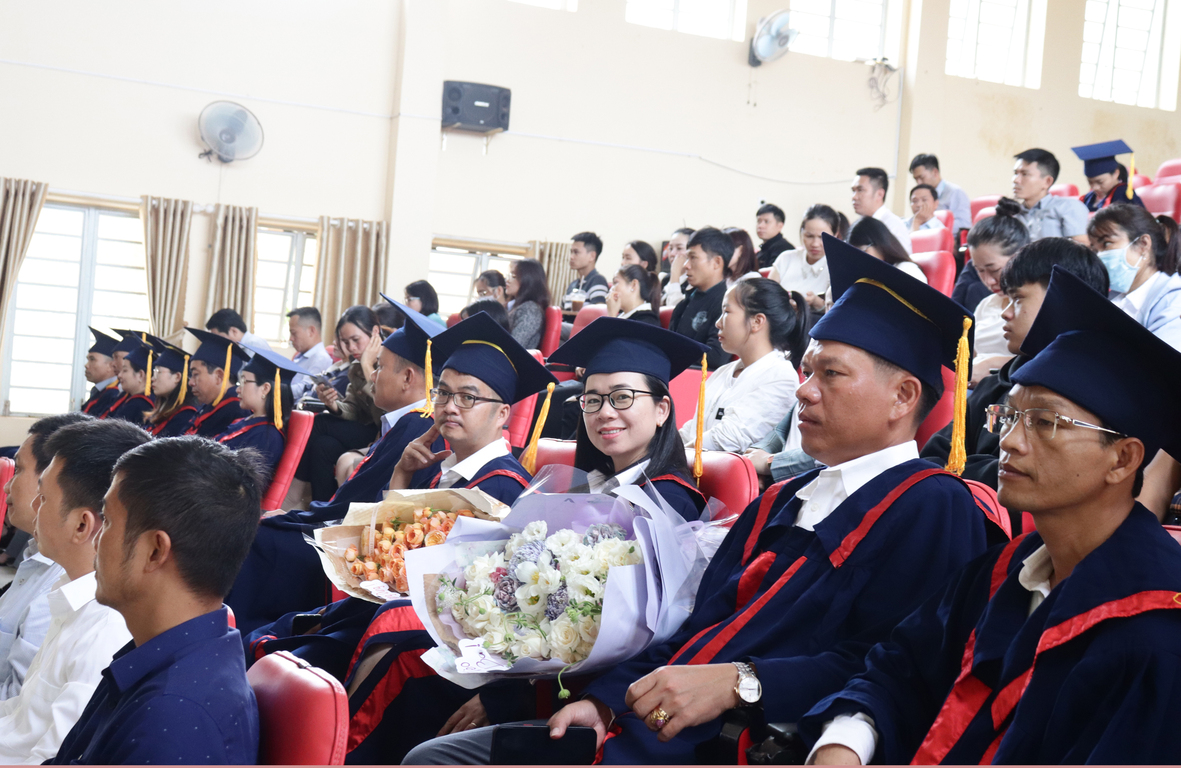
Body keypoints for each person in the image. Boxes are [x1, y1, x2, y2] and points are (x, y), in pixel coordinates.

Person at [404, 235, 1001, 765]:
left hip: (733, 741)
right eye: (807, 371)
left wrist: (742, 682)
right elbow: (697, 624)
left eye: (831, 375)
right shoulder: (784, 498)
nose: (803, 391)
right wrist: (605, 702)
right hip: (645, 722)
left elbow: (891, 666)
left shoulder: (933, 506)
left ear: (903, 397)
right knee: (432, 757)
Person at [285, 318, 707, 765]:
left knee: (405, 651)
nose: (604, 412)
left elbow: (634, 634)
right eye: (593, 399)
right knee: (393, 626)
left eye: (622, 397)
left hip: (570, 688)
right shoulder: (590, 485)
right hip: (522, 659)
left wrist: (504, 696)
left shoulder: (668, 502)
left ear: (662, 409)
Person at [804, 266, 1181, 764]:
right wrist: (846, 742)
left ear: (1123, 459)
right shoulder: (1000, 570)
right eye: (1009, 415)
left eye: (1045, 422)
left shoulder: (1157, 629)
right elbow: (900, 669)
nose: (1010, 441)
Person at [227, 300, 446, 634]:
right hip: (347, 531)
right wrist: (298, 517)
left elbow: (357, 509)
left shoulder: (415, 427)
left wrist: (296, 518)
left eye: (379, 367)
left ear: (407, 377)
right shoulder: (408, 423)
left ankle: (243, 636)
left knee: (262, 538)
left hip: (355, 550)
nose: (373, 375)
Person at [51, 437, 263, 764]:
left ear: (154, 551)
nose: (95, 542)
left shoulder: (173, 720)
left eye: (107, 520)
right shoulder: (165, 652)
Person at [0, 419, 149, 763]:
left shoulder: (106, 629)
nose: (35, 508)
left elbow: (52, 756)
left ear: (82, 525)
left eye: (44, 498)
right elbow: (20, 716)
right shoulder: (69, 595)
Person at [921, 238, 1109, 506]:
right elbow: (935, 456)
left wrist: (965, 470)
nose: (1005, 314)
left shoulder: (1088, 396)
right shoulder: (999, 382)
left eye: (1018, 299)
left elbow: (1028, 480)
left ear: (1064, 301)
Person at [388, 312, 555, 504]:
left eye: (468, 397)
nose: (449, 407)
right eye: (443, 393)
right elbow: (393, 521)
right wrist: (402, 472)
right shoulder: (442, 474)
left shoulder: (504, 490)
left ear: (502, 414)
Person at [0, 414, 88, 698]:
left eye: (18, 471)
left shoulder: (56, 591)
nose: (7, 486)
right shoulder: (37, 557)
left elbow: (17, 702)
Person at [678, 278, 805, 454]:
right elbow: (693, 430)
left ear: (757, 321)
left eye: (726, 312)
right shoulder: (722, 372)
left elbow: (728, 438)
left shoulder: (781, 376)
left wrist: (674, 456)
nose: (718, 323)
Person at [297, 306, 385, 501]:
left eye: (356, 340)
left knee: (319, 424)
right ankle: (322, 507)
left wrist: (367, 366)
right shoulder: (356, 367)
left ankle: (294, 490)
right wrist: (333, 404)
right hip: (368, 428)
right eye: (345, 342)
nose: (351, 348)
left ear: (375, 332)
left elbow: (387, 406)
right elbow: (353, 409)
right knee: (323, 446)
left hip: (386, 432)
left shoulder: (389, 362)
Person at [1088, 203, 1181, 349]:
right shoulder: (1110, 296)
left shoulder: (1173, 300)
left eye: (1107, 243)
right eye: (1094, 250)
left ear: (1143, 245)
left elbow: (1162, 360)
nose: (1099, 256)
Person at [961, 198, 1031, 385]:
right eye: (980, 271)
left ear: (1019, 257)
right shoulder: (986, 304)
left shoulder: (1035, 305)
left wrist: (994, 364)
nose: (988, 281)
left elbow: (1044, 360)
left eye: (994, 269)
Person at [212, 344, 305, 479]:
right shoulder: (248, 422)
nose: (238, 389)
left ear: (265, 389)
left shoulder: (267, 436)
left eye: (244, 382)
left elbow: (243, 483)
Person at [669, 226, 729, 369]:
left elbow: (715, 357)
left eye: (693, 258)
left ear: (716, 262)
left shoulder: (727, 304)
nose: (686, 265)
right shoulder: (685, 303)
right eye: (687, 258)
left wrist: (673, 353)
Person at [768, 204, 845, 315]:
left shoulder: (839, 266)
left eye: (822, 237)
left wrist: (818, 304)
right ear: (802, 232)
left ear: (835, 235)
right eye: (809, 236)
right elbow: (767, 295)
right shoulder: (786, 258)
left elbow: (840, 312)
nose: (815, 244)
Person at [1011, 148, 1090, 244]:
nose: (1016, 180)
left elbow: (1082, 248)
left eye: (1024, 174)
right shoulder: (1012, 214)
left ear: (1047, 181)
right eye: (1015, 173)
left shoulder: (1068, 207)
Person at [184, 328, 251, 439]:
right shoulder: (210, 405)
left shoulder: (236, 410)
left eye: (196, 374)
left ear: (219, 376)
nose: (190, 382)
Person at [141, 335, 199, 437]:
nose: (152, 378)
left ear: (177, 377)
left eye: (158, 372)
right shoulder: (163, 410)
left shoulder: (185, 415)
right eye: (154, 372)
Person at [1071, 139, 1146, 212]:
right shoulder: (1089, 197)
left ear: (1116, 173)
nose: (1095, 187)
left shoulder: (1124, 195)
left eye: (1100, 182)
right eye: (1090, 182)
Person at [849, 216, 927, 283]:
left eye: (862, 251)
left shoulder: (907, 270)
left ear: (879, 244)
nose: (859, 259)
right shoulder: (871, 275)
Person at [852, 167, 912, 254]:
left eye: (860, 190)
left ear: (879, 194)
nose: (854, 197)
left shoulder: (893, 225)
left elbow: (901, 260)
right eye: (853, 191)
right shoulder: (857, 226)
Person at [909, 153, 972, 235]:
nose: (919, 183)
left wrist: (934, 224)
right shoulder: (919, 195)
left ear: (935, 172)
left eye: (921, 177)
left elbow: (964, 225)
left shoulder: (955, 192)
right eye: (916, 179)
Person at [103, 336, 155, 425]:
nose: (119, 375)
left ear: (140, 375)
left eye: (125, 370)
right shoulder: (125, 397)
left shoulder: (141, 404)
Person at [287, 307, 333, 401]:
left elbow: (305, 388)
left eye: (294, 333)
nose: (291, 338)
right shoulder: (300, 355)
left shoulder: (321, 358)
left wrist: (276, 389)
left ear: (311, 331)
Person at [505, 258, 550, 350]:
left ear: (528, 280)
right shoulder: (519, 306)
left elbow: (514, 345)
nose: (507, 280)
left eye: (513, 276)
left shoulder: (530, 309)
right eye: (509, 275)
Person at [79, 328, 121, 417]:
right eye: (88, 359)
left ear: (111, 365)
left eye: (92, 359)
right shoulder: (100, 391)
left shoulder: (114, 395)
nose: (86, 365)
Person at [205, 308, 273, 354]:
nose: (218, 342)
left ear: (234, 331)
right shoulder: (238, 347)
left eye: (220, 337)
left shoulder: (254, 344)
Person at [661, 227, 696, 306]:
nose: (672, 253)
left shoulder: (694, 281)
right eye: (670, 248)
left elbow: (675, 308)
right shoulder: (665, 279)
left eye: (679, 248)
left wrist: (675, 273)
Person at [754, 203, 796, 268]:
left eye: (766, 222)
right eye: (759, 221)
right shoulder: (763, 250)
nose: (760, 226)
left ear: (780, 226)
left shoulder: (784, 249)